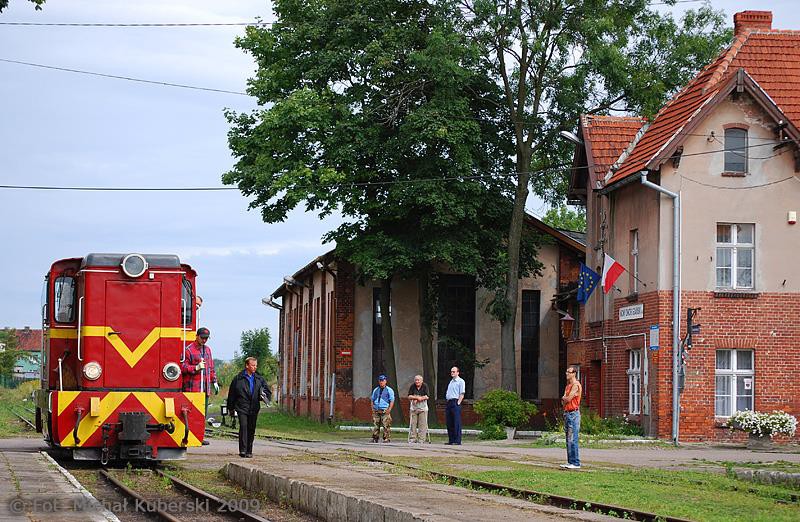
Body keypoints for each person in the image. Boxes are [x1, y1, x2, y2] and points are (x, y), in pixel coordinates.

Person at [227, 356, 271, 458]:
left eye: (256, 365)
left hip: (254, 407)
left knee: (251, 428)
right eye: (253, 365)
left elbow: (267, 392)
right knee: (243, 426)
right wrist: (231, 408)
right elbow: (232, 394)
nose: (255, 367)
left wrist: (264, 397)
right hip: (242, 407)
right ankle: (242, 450)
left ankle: (249, 451)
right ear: (247, 365)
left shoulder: (259, 379)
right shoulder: (238, 379)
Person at [182, 327, 219, 445]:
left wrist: (214, 381)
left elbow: (211, 368)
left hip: (205, 388)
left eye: (206, 338)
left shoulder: (208, 350)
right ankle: (188, 436)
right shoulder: (188, 350)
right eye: (202, 338)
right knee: (192, 414)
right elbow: (182, 367)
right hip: (193, 389)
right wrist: (195, 368)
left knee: (203, 414)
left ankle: (199, 437)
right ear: (197, 336)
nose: (204, 340)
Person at [560, 365, 583, 470]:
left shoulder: (576, 385)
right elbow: (564, 399)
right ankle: (570, 462)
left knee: (573, 438)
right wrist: (565, 399)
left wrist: (565, 398)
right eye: (566, 372)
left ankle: (576, 462)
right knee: (568, 439)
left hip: (573, 414)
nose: (567, 374)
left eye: (569, 372)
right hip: (567, 413)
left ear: (574, 373)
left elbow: (568, 399)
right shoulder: (568, 386)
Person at [370, 374, 395, 443]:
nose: (381, 382)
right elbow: (372, 399)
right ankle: (375, 438)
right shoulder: (376, 390)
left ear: (385, 381)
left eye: (383, 380)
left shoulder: (389, 390)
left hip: (385, 410)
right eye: (380, 380)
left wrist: (389, 409)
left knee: (386, 425)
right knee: (376, 425)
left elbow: (392, 400)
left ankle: (386, 438)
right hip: (376, 410)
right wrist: (372, 408)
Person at [445, 366, 465, 445]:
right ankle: (451, 440)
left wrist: (458, 402)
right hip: (449, 402)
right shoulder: (451, 381)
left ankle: (457, 440)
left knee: (456, 421)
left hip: (455, 402)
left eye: (454, 372)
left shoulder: (460, 381)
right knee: (449, 422)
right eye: (451, 372)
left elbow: (462, 393)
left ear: (458, 372)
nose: (452, 373)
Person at [407, 375, 429, 443]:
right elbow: (409, 396)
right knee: (412, 424)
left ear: (422, 381)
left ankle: (421, 439)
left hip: (423, 408)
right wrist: (416, 398)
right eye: (416, 380)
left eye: (418, 380)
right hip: (413, 408)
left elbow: (427, 396)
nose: (417, 381)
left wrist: (420, 399)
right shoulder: (412, 386)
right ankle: (412, 438)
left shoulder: (425, 386)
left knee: (422, 424)